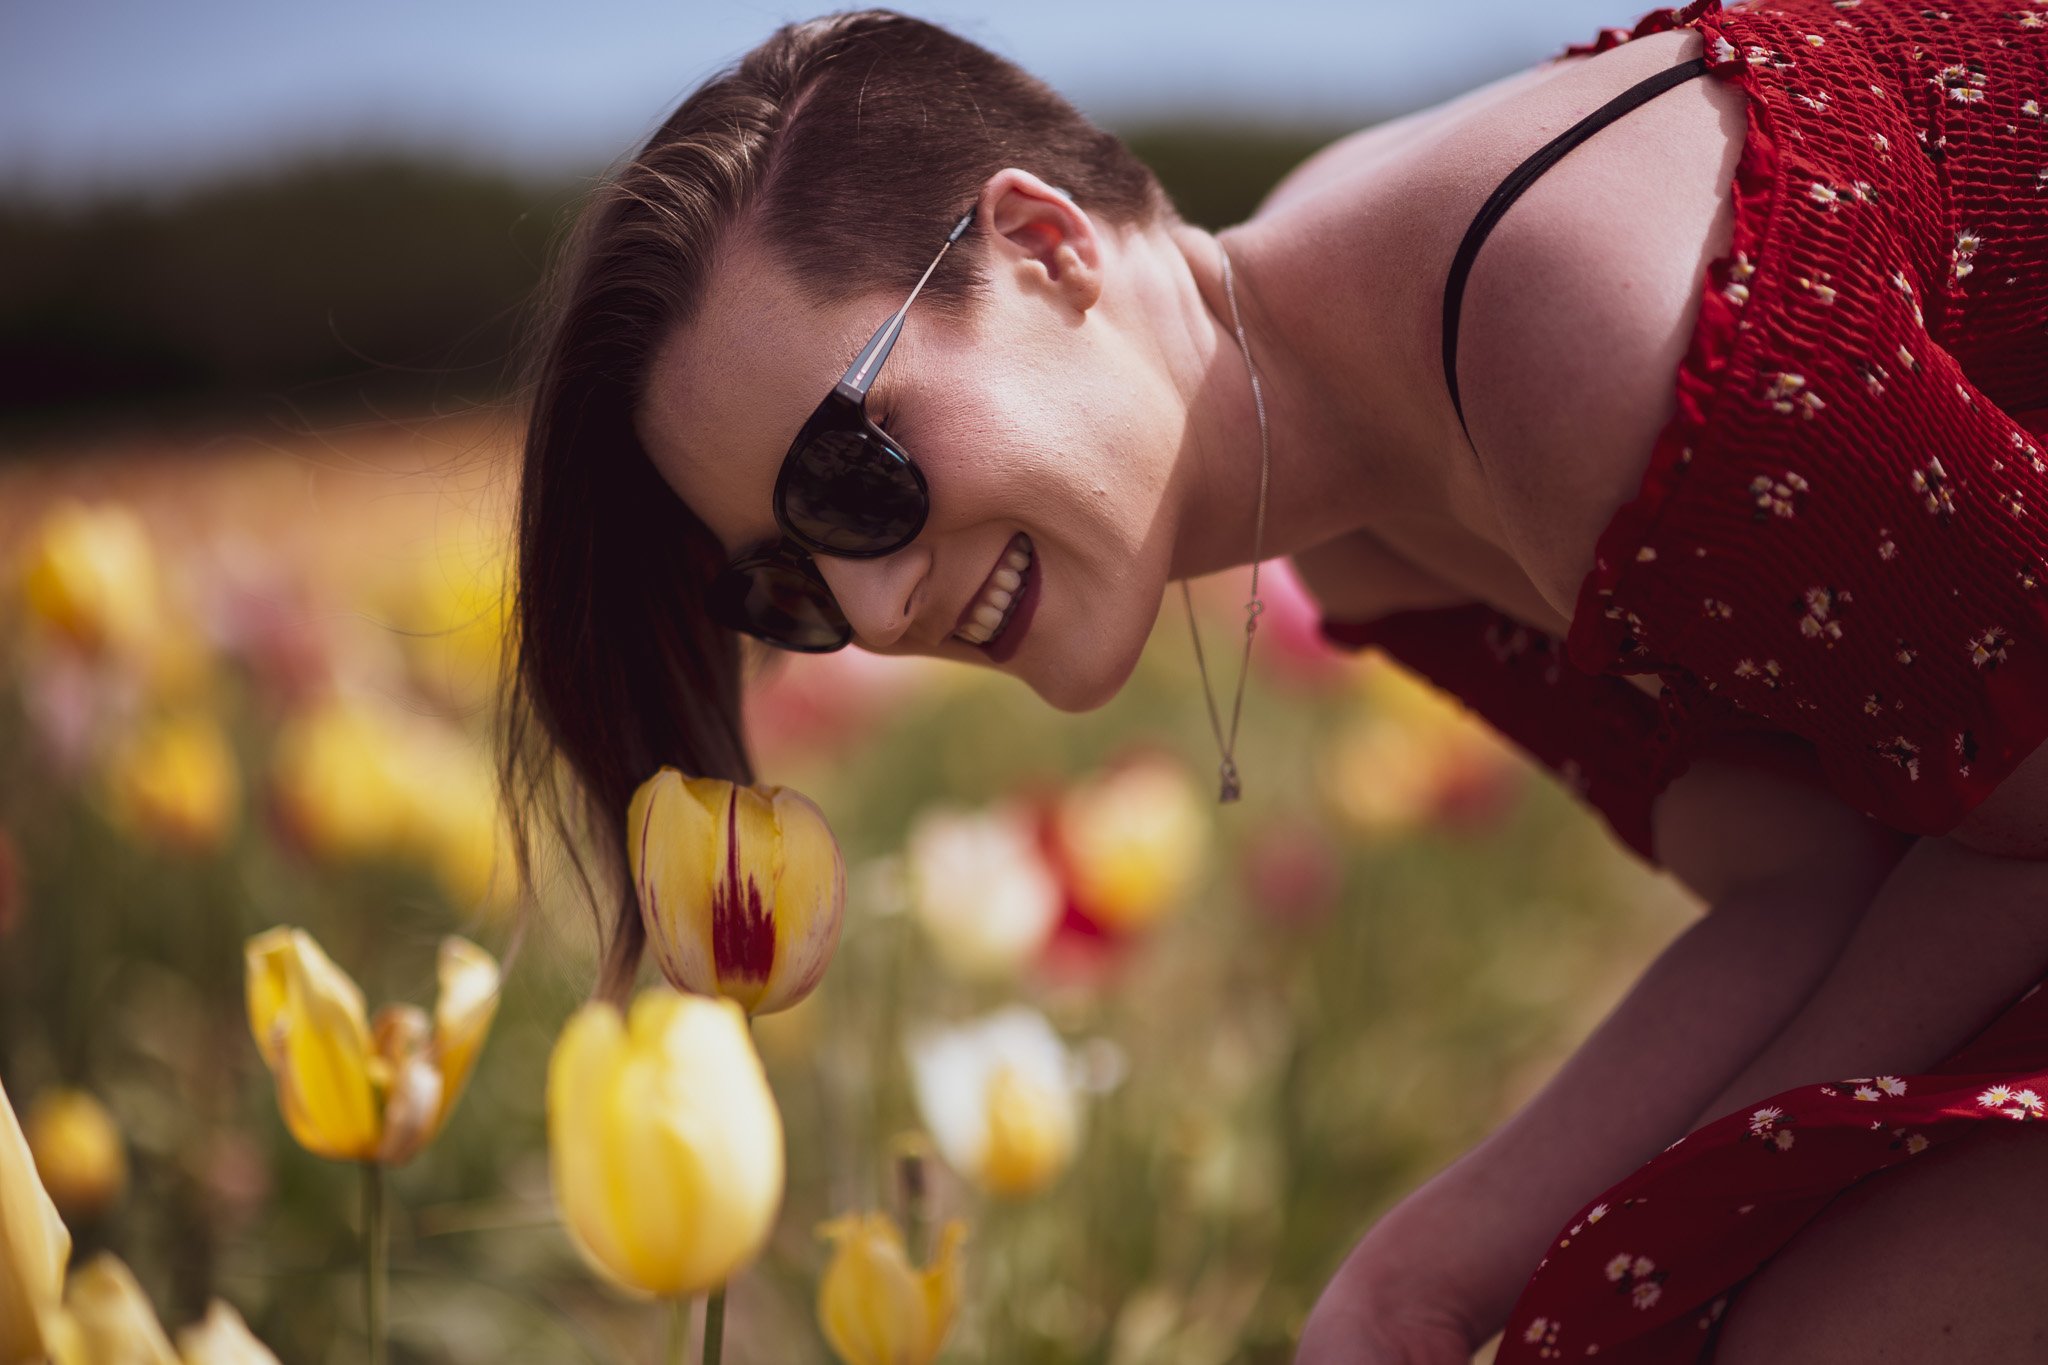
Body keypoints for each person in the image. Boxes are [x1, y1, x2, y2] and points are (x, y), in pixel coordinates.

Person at [497, 1, 2048, 1359]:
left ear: (1044, 245)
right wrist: (1410, 1279)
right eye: (788, 581)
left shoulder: (1551, 327)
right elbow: (1804, 872)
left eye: (852, 475)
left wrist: (1647, 1243)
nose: (880, 601)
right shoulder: (1363, 515)